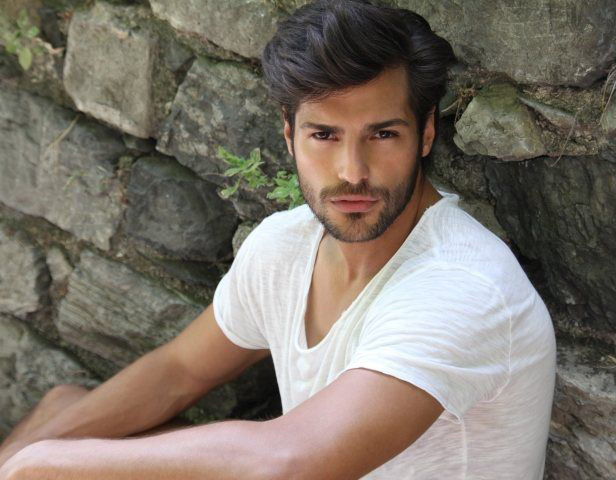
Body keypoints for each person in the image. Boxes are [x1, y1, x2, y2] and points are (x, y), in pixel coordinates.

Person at [0, 1, 557, 479]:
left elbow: (286, 462)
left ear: (426, 131)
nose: (353, 171)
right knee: (62, 412)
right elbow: (179, 372)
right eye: (324, 134)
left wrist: (42, 465)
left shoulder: (463, 287)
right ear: (289, 135)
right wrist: (33, 454)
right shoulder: (286, 246)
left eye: (383, 134)